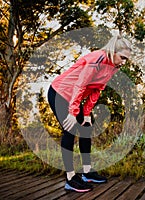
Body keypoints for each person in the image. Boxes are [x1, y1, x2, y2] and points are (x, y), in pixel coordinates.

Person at [47, 35, 132, 193]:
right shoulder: (97, 60)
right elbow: (81, 84)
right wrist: (73, 112)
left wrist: (86, 113)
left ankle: (87, 172)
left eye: (126, 59)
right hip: (59, 92)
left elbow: (96, 89)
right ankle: (70, 178)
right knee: (70, 129)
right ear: (113, 51)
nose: (124, 62)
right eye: (122, 57)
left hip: (74, 96)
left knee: (86, 128)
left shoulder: (113, 66)